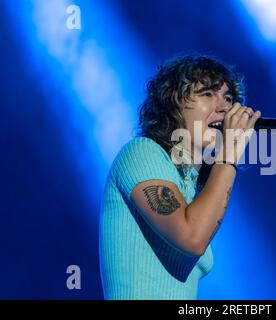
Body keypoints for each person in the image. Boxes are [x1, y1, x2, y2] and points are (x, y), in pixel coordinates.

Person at [99, 54, 261, 299]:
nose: (224, 107)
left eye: (228, 98)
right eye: (207, 94)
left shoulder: (191, 186)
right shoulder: (142, 152)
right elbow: (191, 237)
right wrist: (230, 152)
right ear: (172, 104)